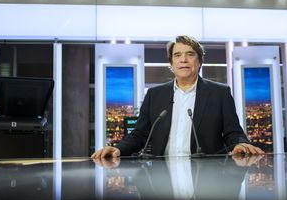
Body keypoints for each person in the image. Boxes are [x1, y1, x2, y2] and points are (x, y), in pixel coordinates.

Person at [91, 35, 264, 158]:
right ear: (171, 64)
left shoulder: (220, 93)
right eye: (177, 55)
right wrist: (118, 149)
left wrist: (240, 144)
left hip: (207, 174)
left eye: (190, 54)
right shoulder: (154, 95)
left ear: (199, 61)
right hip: (163, 174)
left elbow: (232, 132)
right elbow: (139, 134)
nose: (183, 60)